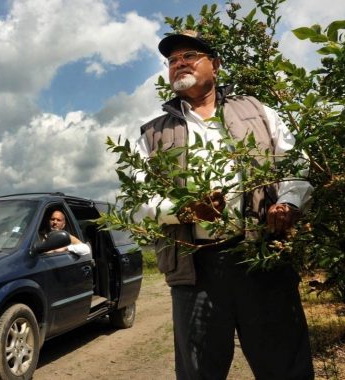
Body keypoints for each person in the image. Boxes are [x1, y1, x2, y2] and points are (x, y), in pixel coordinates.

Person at [134, 30, 315, 379]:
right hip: (195, 267)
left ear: (215, 65)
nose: (179, 64)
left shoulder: (258, 111)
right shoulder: (152, 134)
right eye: (172, 60)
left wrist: (289, 203)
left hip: (262, 258)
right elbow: (140, 199)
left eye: (190, 55)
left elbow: (295, 164)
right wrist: (186, 211)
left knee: (284, 365)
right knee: (198, 371)